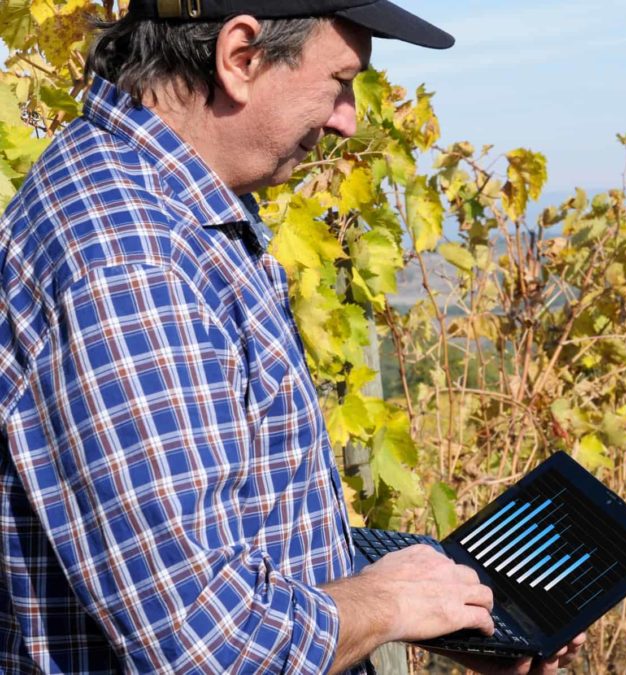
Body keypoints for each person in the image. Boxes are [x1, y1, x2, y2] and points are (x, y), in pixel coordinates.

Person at [0, 1, 583, 672]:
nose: (348, 119)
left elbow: (246, 534)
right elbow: (208, 646)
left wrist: (444, 603)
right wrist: (387, 603)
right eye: (340, 81)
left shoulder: (166, 203)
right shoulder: (131, 263)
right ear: (241, 56)